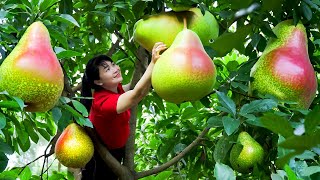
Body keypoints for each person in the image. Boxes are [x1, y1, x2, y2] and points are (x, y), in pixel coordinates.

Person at [80, 42, 167, 179]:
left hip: (118, 149)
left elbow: (135, 87)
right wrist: (153, 63)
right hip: (103, 158)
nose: (115, 69)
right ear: (98, 82)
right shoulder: (102, 103)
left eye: (113, 64)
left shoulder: (115, 88)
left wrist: (150, 55)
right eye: (107, 69)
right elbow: (136, 94)